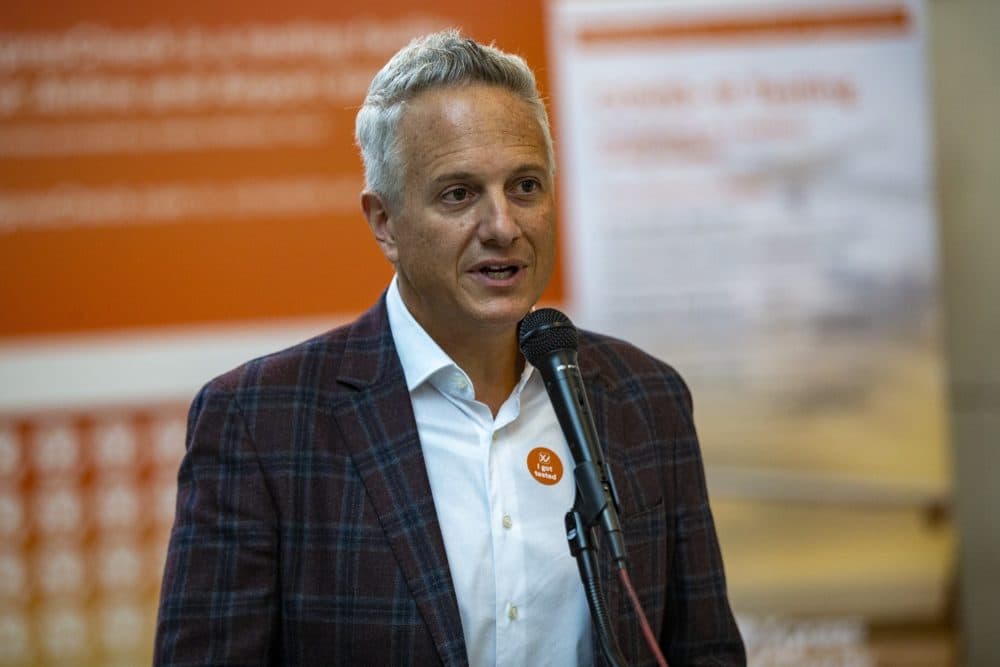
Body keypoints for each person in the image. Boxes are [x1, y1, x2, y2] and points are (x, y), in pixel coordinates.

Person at [155, 30, 744, 666]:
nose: (502, 226)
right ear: (385, 223)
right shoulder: (261, 422)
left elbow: (702, 650)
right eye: (459, 194)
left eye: (525, 186)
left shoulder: (643, 397)